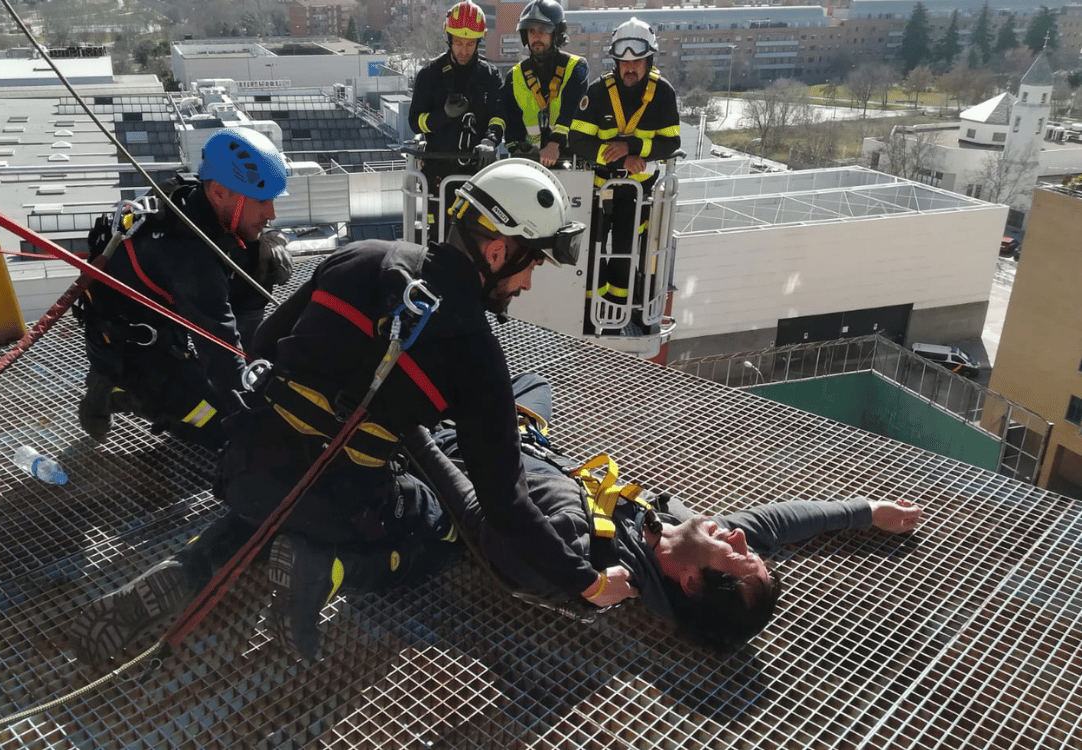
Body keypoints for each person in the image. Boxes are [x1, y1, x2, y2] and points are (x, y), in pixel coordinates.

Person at [69, 159, 595, 667]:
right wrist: (583, 580)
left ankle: (188, 566)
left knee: (276, 497)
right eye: (531, 266)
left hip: (248, 467)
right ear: (499, 251)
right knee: (440, 524)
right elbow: (505, 504)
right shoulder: (478, 355)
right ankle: (326, 569)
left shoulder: (363, 255)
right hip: (345, 500)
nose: (527, 284)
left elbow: (266, 344)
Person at [405, 372, 923, 650]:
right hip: (524, 439)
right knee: (533, 383)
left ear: (691, 583)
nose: (740, 538)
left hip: (458, 447)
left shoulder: (589, 563)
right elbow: (776, 524)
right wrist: (866, 510)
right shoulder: (687, 533)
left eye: (735, 554)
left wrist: (413, 431)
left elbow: (475, 514)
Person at [75, 127, 292, 449]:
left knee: (262, 257)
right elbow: (220, 352)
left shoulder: (194, 200)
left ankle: (121, 383)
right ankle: (117, 392)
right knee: (223, 428)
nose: (271, 214)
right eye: (261, 201)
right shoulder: (188, 255)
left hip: (166, 320)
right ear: (219, 192)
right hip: (133, 350)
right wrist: (255, 421)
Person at [570, 18, 680, 335]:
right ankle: (590, 318)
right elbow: (577, 140)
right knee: (591, 252)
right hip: (597, 187)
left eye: (637, 61)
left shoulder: (663, 95)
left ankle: (617, 317)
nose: (630, 68)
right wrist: (609, 152)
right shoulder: (598, 92)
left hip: (637, 189)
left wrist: (633, 150)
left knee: (624, 252)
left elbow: (671, 142)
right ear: (616, 62)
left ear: (649, 60)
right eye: (625, 62)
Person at [408, 2, 505, 233]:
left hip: (477, 174)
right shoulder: (430, 75)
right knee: (439, 236)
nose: (463, 50)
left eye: (470, 43)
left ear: (478, 42)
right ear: (449, 39)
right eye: (459, 43)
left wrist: (490, 141)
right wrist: (443, 116)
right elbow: (415, 121)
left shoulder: (490, 77)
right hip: (439, 174)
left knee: (476, 237)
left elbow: (498, 117)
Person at [501, 0, 589, 167]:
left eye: (543, 30)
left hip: (568, 160)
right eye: (531, 30)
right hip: (529, 162)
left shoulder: (578, 67)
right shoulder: (515, 75)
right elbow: (511, 122)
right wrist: (517, 148)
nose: (536, 36)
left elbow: (571, 107)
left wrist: (554, 144)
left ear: (556, 33)